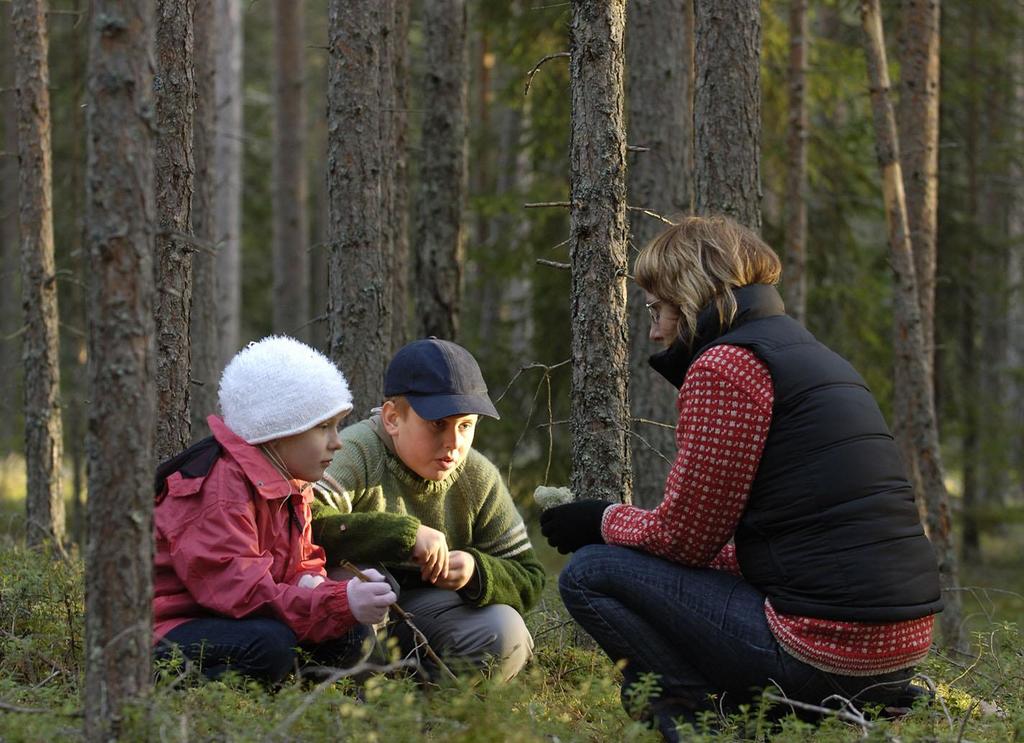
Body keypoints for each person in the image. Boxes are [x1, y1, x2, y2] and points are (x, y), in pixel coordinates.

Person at [540, 215, 943, 737]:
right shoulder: (813, 357)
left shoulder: (727, 366)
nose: (655, 330)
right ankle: (828, 708)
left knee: (590, 572)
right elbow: (781, 539)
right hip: (900, 647)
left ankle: (701, 720)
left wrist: (601, 521)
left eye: (656, 309)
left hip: (822, 651)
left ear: (688, 299)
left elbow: (684, 541)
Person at [153, 336, 397, 684]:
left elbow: (301, 566)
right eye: (323, 427)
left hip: (240, 621)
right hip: (170, 629)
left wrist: (332, 592)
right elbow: (242, 595)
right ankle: (195, 707)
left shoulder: (291, 481)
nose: (337, 442)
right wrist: (339, 602)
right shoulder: (219, 488)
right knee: (270, 646)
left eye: (337, 426)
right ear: (280, 430)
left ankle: (297, 707)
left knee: (351, 635)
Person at [310, 338, 545, 681]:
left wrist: (476, 572)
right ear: (392, 418)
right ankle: (352, 700)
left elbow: (529, 576)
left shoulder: (477, 477)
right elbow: (306, 523)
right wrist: (403, 535)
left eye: (465, 426)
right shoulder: (358, 452)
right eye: (438, 424)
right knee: (369, 581)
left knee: (506, 631)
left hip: (430, 620)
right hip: (351, 622)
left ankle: (430, 712)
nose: (454, 443)